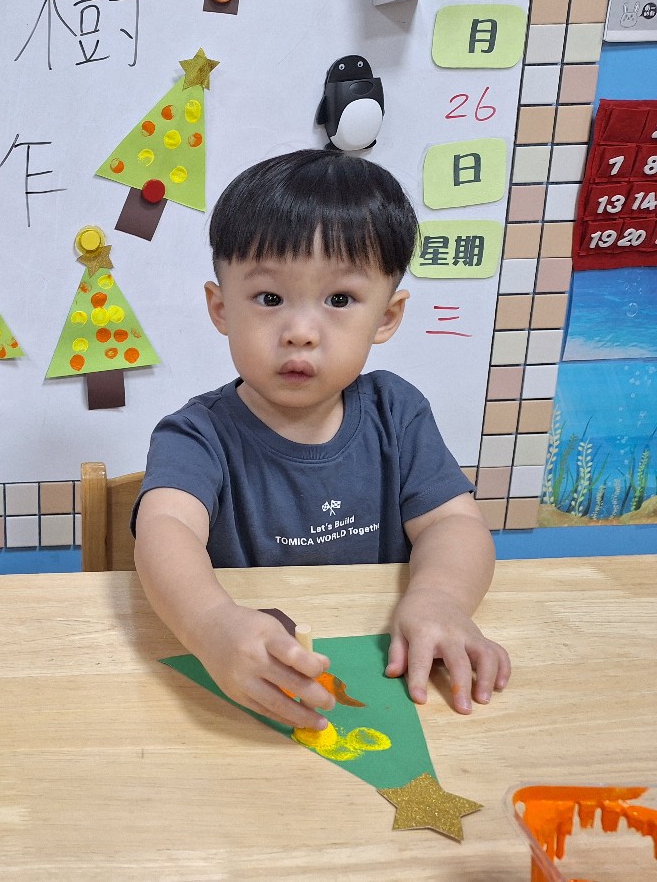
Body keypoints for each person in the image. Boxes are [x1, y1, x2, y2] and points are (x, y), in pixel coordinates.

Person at [132, 149, 510, 731]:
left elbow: (453, 523)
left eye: (339, 300)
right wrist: (209, 624)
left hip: (388, 680)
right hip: (245, 681)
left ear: (387, 316)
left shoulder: (397, 412)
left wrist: (440, 598)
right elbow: (166, 528)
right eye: (269, 299)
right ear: (221, 308)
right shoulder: (196, 434)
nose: (301, 333)